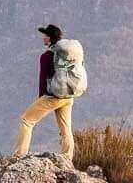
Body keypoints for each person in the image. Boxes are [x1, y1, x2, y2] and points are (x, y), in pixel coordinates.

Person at [13, 23, 87, 157]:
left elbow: (43, 79)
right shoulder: (67, 55)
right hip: (69, 96)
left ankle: (19, 155)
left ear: (50, 38)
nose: (43, 38)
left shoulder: (46, 56)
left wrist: (41, 98)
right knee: (65, 128)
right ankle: (67, 157)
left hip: (54, 96)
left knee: (26, 120)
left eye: (45, 35)